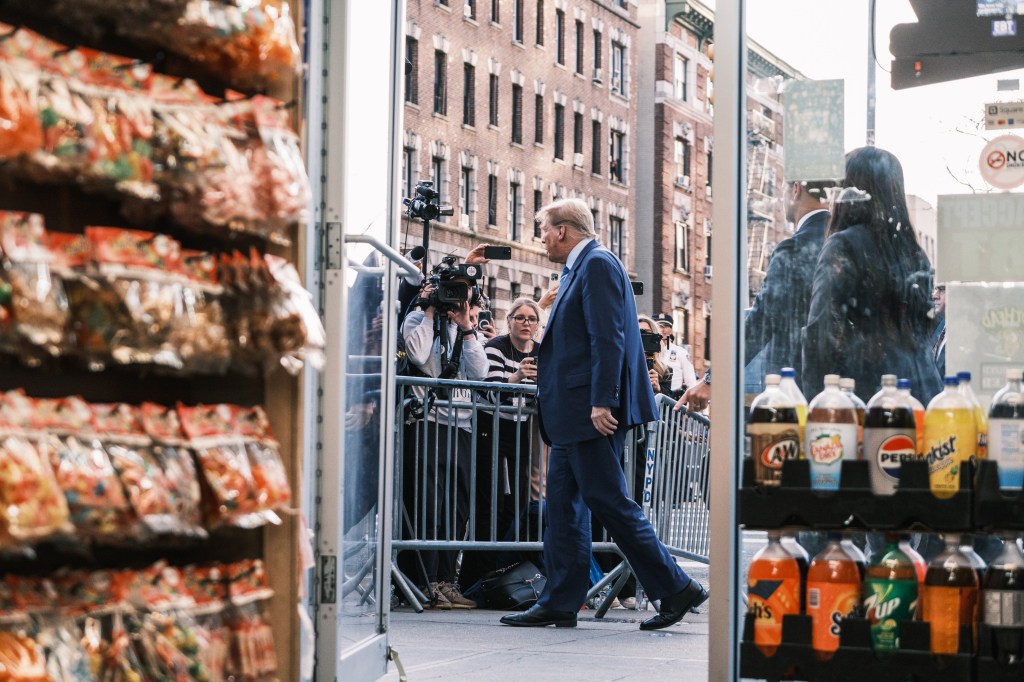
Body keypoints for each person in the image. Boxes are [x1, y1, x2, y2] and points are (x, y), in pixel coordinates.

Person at [500, 198, 707, 630]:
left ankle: (676, 587)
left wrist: (602, 400)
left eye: (543, 229)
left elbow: (608, 338)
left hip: (587, 412)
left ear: (562, 230)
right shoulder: (580, 268)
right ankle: (560, 599)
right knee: (563, 508)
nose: (540, 238)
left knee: (608, 502)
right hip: (570, 414)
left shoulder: (596, 264)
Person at [801, 147, 942, 405]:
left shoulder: (843, 246)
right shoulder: (914, 252)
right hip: (923, 391)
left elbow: (821, 336)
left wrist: (817, 409)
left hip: (870, 398)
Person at [401, 272, 490, 609]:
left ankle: (446, 582)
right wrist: (427, 310)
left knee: (457, 507)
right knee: (428, 505)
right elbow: (419, 355)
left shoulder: (466, 328)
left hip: (462, 426)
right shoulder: (417, 319)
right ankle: (424, 583)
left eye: (462, 294)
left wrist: (467, 327)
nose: (456, 300)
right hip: (428, 422)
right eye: (451, 293)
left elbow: (480, 374)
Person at [459, 298, 543, 593]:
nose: (526, 323)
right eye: (520, 317)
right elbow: (492, 392)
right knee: (489, 504)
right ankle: (472, 579)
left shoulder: (542, 352)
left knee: (516, 505)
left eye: (531, 319)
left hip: (520, 429)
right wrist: (518, 376)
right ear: (509, 321)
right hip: (490, 427)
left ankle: (500, 572)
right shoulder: (495, 346)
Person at [745, 180, 832, 387]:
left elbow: (763, 318)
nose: (780, 201)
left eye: (783, 190)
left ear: (796, 190)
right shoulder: (841, 240)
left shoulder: (794, 247)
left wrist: (713, 378)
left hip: (793, 384)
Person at [652, 313, 698, 399]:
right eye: (659, 326)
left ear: (671, 329)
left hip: (673, 401)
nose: (662, 329)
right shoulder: (648, 352)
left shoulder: (681, 353)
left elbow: (691, 382)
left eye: (666, 326)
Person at [930, 283, 946, 377]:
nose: (934, 295)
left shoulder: (965, 331)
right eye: (935, 289)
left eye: (942, 289)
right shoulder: (941, 326)